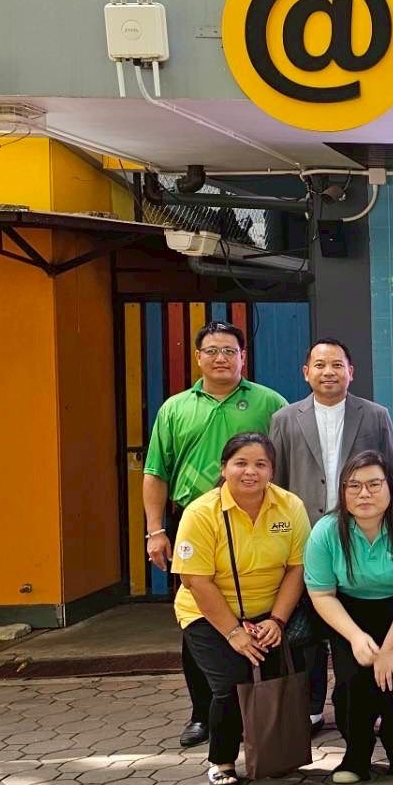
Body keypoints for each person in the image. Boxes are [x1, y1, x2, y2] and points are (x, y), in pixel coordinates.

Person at [144, 320, 288, 749]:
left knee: (261, 605)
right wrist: (155, 530)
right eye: (212, 351)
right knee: (200, 616)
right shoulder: (175, 408)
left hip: (256, 517)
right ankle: (202, 712)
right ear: (198, 357)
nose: (221, 358)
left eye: (230, 351)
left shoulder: (270, 403)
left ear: (243, 357)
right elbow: (156, 472)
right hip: (195, 520)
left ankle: (265, 709)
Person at [271, 338, 393, 732]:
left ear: (350, 372)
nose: (329, 372)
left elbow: (389, 475)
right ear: (306, 372)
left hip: (361, 536)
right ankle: (311, 707)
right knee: (307, 629)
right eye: (320, 365)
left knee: (362, 625)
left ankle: (375, 702)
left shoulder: (375, 415)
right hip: (305, 538)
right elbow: (277, 481)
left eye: (337, 365)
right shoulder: (285, 419)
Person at [171, 433, 309, 785]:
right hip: (209, 613)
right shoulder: (201, 513)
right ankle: (222, 760)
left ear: (272, 471)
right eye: (241, 463)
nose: (251, 472)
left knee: (276, 681)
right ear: (224, 468)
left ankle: (274, 755)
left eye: (261, 464)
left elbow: (297, 568)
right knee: (233, 683)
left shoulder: (290, 506)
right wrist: (233, 632)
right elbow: (195, 580)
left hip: (269, 612)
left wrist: (277, 620)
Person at [303, 451, 393, 784]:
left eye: (374, 484)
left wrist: (390, 648)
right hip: (348, 612)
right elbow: (322, 594)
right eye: (354, 486)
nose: (364, 494)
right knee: (352, 681)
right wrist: (356, 636)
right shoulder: (326, 531)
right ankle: (356, 752)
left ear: (390, 487)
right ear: (342, 491)